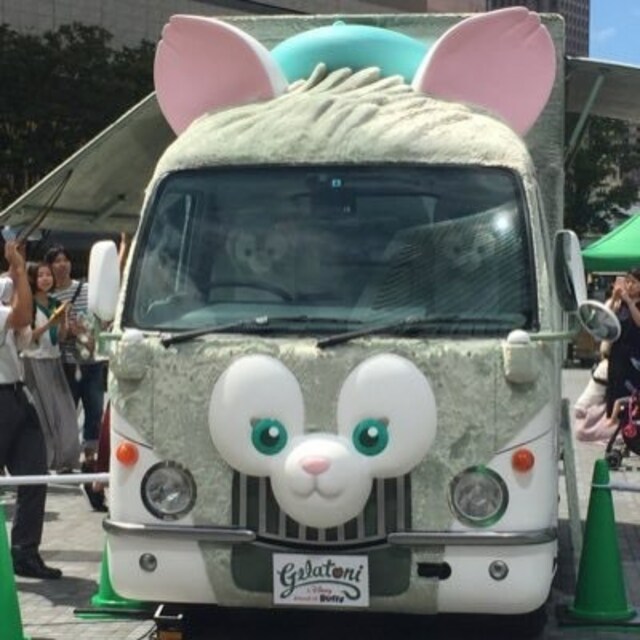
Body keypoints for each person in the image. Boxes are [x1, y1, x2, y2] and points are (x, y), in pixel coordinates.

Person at [0, 240, 62, 579]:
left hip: (16, 394)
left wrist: (17, 270)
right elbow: (22, 313)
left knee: (35, 472)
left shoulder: (6, 294)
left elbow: (24, 331)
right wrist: (21, 270)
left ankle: (25, 552)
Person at [44, 245, 107, 512]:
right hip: (66, 364)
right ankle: (69, 460)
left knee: (94, 413)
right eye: (56, 261)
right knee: (67, 414)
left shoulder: (88, 289)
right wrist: (66, 330)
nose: (62, 265)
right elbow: (52, 335)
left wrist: (87, 331)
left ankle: (89, 462)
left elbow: (101, 319)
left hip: (91, 361)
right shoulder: (49, 297)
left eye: (65, 260)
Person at [21, 261, 80, 471]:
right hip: (34, 362)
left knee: (64, 412)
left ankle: (65, 459)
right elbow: (27, 338)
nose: (46, 279)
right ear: (33, 279)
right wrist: (49, 323)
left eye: (48, 275)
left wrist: (63, 321)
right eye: (40, 275)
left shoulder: (55, 302)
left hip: (54, 361)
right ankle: (45, 459)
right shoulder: (27, 304)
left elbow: (61, 337)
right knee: (41, 413)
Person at [604, 269, 640, 418]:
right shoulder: (620, 303)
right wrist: (613, 300)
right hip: (617, 355)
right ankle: (613, 424)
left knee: (631, 396)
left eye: (634, 282)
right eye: (627, 281)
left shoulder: (633, 304)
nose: (630, 285)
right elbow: (604, 320)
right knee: (614, 391)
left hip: (635, 356)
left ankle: (630, 425)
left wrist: (631, 303)